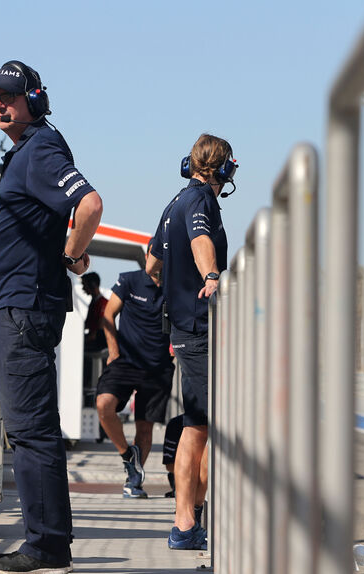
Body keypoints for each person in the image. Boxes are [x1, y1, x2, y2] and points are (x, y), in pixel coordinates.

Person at [0, 60, 103, 574]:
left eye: (8, 95)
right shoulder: (29, 152)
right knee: (31, 430)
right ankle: (47, 541)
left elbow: (90, 204)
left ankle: (46, 546)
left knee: (31, 431)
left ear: (35, 99)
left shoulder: (41, 148)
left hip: (24, 308)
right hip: (21, 304)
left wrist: (72, 254)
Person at [146, 133, 237, 550]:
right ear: (222, 169)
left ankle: (194, 521)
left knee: (203, 425)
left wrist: (174, 290)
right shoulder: (201, 200)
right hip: (199, 328)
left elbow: (152, 261)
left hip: (185, 326)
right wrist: (210, 276)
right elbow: (201, 240)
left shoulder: (173, 204)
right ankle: (185, 525)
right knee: (199, 426)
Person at [95, 254, 174, 498]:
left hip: (158, 367)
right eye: (156, 254)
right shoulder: (130, 281)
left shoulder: (175, 287)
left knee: (145, 427)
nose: (160, 260)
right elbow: (108, 315)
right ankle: (128, 455)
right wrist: (114, 351)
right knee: (103, 405)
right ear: (148, 256)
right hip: (125, 362)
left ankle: (134, 480)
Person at [80, 272, 107, 352]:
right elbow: (87, 325)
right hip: (93, 341)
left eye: (84, 285)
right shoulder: (93, 303)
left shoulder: (103, 303)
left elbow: (98, 332)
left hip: (100, 345)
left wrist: (81, 342)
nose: (83, 288)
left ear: (92, 285)